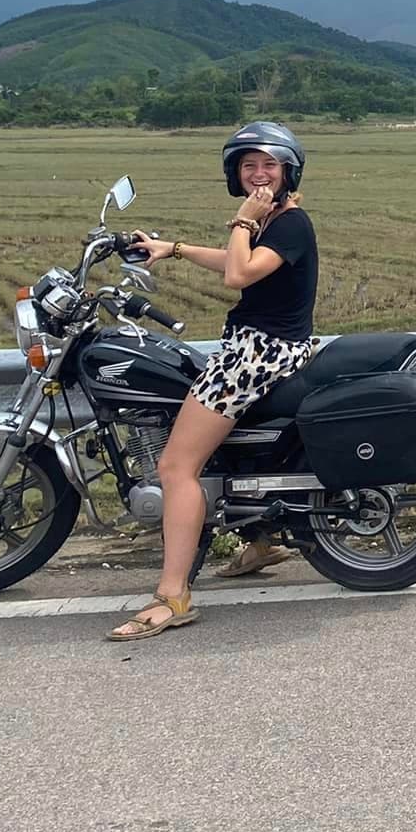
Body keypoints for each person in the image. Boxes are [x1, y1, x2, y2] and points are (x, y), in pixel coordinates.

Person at [106, 122, 320, 638]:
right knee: (218, 446)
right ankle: (262, 537)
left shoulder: (288, 223)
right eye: (249, 166)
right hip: (263, 347)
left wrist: (244, 218)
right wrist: (170, 248)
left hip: (258, 354)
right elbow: (238, 260)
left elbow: (237, 275)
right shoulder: (277, 223)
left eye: (269, 165)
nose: (259, 174)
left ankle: (173, 595)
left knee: (176, 465)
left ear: (288, 172)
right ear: (235, 172)